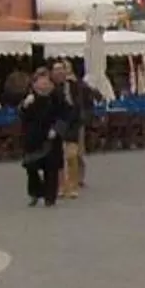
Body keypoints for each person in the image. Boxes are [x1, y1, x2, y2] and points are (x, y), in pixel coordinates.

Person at [16, 67, 71, 207]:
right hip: (33, 137)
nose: (43, 85)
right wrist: (24, 106)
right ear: (34, 83)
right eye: (40, 82)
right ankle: (35, 192)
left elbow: (65, 114)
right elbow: (22, 115)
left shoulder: (57, 96)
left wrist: (56, 129)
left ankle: (50, 197)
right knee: (31, 167)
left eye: (46, 82)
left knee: (51, 168)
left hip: (51, 137)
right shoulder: (30, 97)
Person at [59, 62, 93, 199]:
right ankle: (65, 182)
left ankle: (79, 177)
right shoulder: (57, 85)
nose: (64, 71)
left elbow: (88, 97)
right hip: (62, 122)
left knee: (77, 152)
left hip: (77, 122)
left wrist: (85, 116)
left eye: (65, 68)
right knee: (63, 153)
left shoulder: (78, 84)